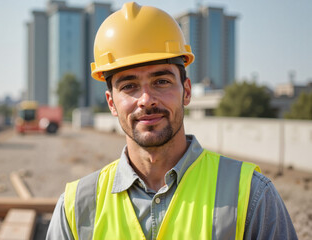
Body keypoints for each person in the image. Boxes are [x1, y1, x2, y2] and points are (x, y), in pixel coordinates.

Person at [46, 2, 297, 239]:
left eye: (161, 81)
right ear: (111, 103)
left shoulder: (251, 195)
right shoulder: (75, 208)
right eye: (130, 86)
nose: (146, 99)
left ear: (186, 91)